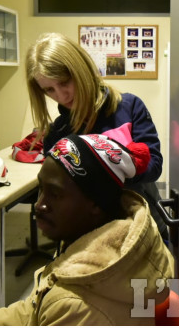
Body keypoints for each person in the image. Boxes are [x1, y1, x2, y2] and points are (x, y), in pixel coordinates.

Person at [0, 134, 174, 325]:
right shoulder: (88, 241)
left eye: (54, 194)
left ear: (95, 203)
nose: (39, 205)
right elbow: (33, 309)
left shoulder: (75, 306)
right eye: (41, 189)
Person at [26, 32, 169, 238]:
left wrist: (109, 163)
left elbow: (154, 166)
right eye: (49, 89)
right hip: (89, 238)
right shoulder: (56, 135)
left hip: (144, 227)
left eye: (65, 82)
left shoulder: (129, 107)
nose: (61, 95)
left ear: (82, 70)